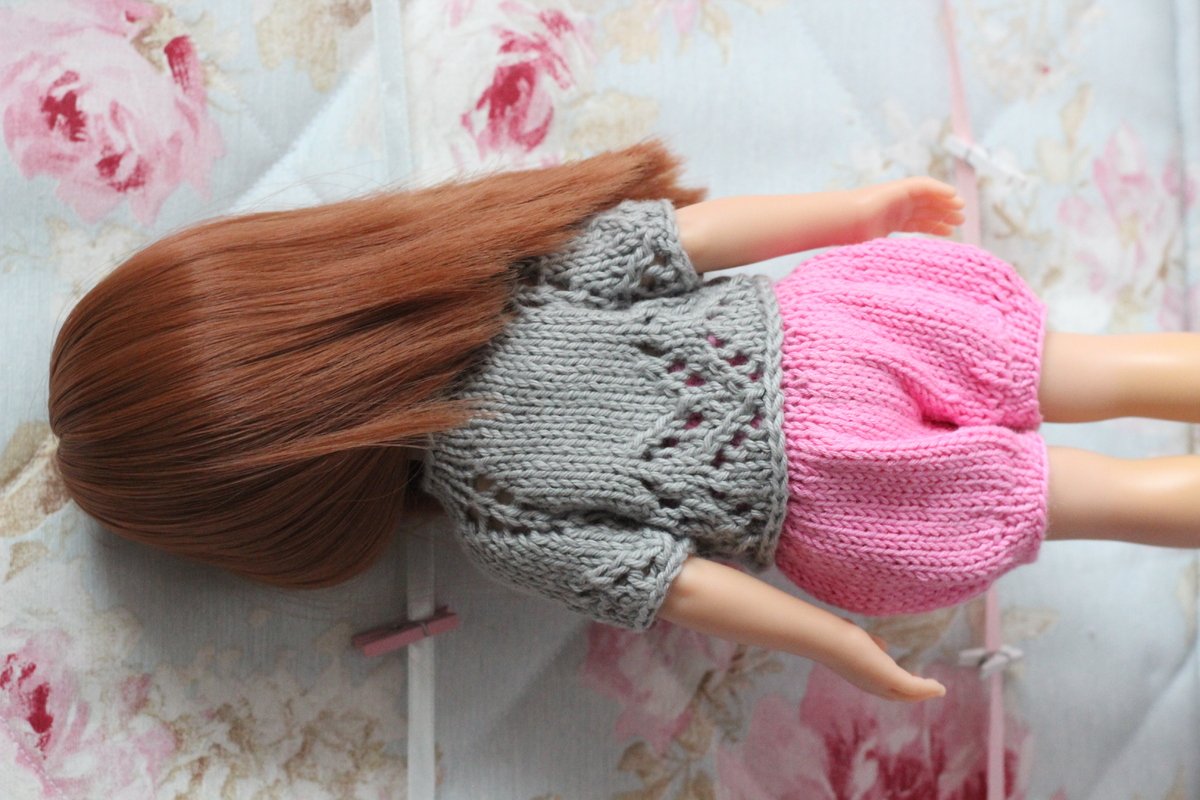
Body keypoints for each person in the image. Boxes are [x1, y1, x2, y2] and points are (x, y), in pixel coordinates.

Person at [47, 140, 1200, 703]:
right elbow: (682, 240)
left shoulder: (499, 521)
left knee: (1101, 491)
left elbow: (674, 583)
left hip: (833, 490)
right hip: (836, 334)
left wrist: (835, 641)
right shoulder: (509, 283)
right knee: (1101, 375)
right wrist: (856, 211)